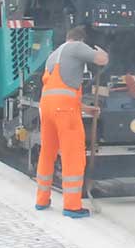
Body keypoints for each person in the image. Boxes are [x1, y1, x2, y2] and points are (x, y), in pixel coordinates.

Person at [35, 26, 109, 218]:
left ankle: (41, 200)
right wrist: (102, 52)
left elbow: (60, 89)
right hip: (64, 110)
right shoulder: (77, 47)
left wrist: (86, 108)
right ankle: (72, 206)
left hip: (47, 107)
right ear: (80, 39)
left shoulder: (53, 55)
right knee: (73, 154)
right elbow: (101, 60)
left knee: (47, 153)